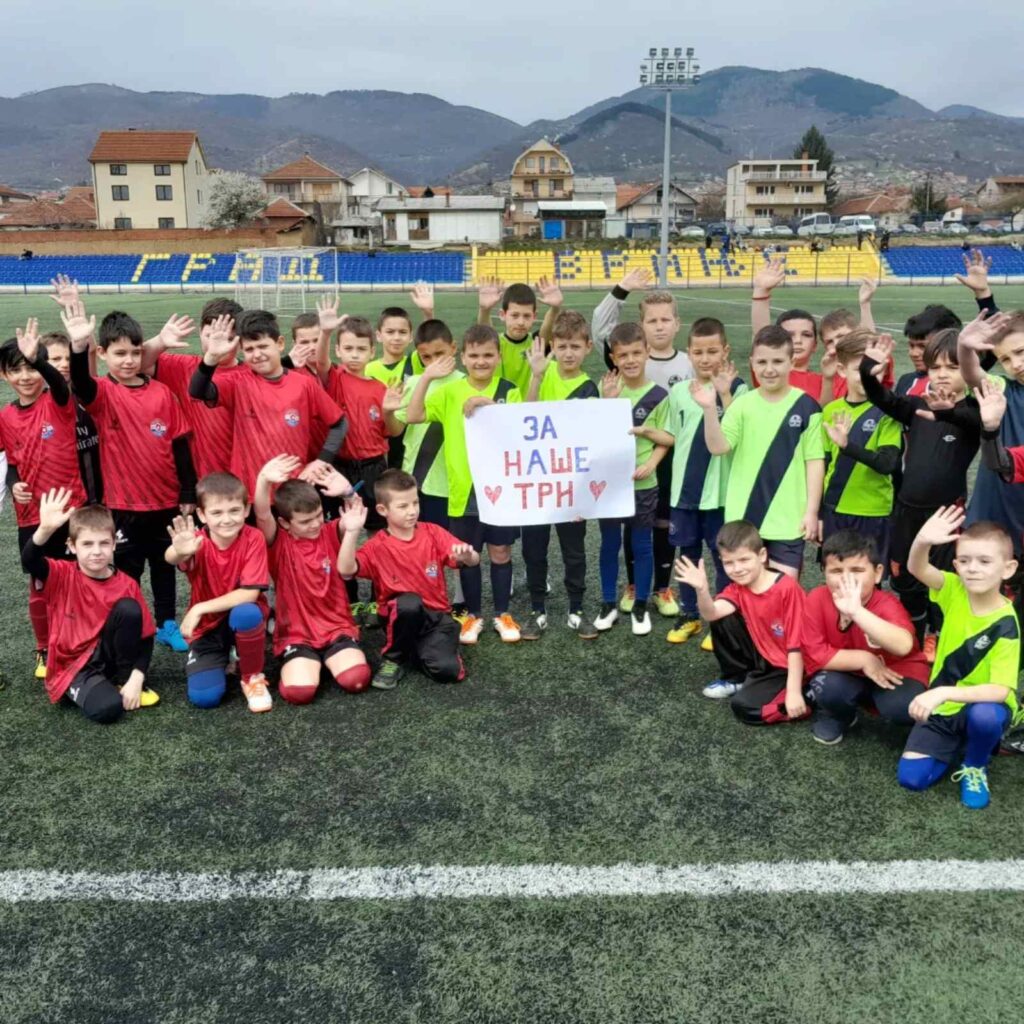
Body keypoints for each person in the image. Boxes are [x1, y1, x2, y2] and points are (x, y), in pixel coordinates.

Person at [69, 304, 196, 652]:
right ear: (103, 353)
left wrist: (187, 491)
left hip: (167, 500)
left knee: (164, 564)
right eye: (119, 353)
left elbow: (180, 443)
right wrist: (78, 346)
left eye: (135, 352)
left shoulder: (162, 392)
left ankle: (167, 623)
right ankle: (135, 621)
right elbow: (80, 383)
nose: (128, 360)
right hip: (123, 504)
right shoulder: (103, 393)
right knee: (127, 570)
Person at [860, 330, 981, 651]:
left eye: (952, 367)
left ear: (968, 371)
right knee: (904, 576)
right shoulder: (917, 405)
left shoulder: (973, 410)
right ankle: (911, 626)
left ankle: (938, 633)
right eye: (936, 367)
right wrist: (866, 373)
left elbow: (972, 423)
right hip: (906, 510)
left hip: (946, 513)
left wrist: (946, 412)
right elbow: (883, 398)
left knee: (941, 577)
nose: (942, 374)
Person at [404, 323, 522, 644]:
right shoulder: (448, 392)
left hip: (500, 490)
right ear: (463, 358)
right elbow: (413, 416)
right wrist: (426, 377)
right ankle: (473, 616)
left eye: (487, 355)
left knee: (500, 551)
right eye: (474, 355)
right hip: (462, 490)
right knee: (467, 555)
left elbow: (516, 430)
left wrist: (486, 406)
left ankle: (502, 614)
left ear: (498, 357)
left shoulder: (509, 389)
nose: (480, 361)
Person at [897, 508, 1020, 809]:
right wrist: (923, 540)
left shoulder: (1007, 623)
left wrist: (942, 692)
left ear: (1008, 568)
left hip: (979, 704)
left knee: (985, 716)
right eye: (964, 561)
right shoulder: (953, 589)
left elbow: (1001, 690)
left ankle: (976, 764)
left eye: (984, 561)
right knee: (912, 779)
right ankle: (962, 743)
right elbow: (917, 568)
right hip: (945, 707)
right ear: (956, 565)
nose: (972, 569)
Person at [591, 269, 695, 616]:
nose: (660, 325)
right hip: (635, 460)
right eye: (652, 320)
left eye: (666, 319)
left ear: (677, 324)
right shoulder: (625, 365)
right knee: (633, 520)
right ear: (642, 327)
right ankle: (634, 583)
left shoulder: (688, 362)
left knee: (665, 522)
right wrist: (621, 289)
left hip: (673, 456)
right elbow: (600, 328)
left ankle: (663, 589)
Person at [699, 324, 824, 579]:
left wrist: (811, 512)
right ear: (752, 363)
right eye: (762, 361)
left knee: (783, 593)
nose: (769, 369)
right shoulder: (741, 405)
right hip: (743, 519)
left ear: (792, 361)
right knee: (744, 594)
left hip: (788, 520)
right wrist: (709, 409)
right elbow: (718, 447)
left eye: (778, 361)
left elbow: (814, 462)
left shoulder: (807, 407)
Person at [21, 488, 157, 723]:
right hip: (73, 665)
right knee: (107, 709)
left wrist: (137, 677)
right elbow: (30, 561)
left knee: (129, 609)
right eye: (87, 544)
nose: (96, 551)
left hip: (108, 657)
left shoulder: (126, 583)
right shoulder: (61, 574)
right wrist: (44, 530)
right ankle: (85, 688)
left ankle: (122, 679)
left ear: (114, 544)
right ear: (72, 546)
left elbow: (145, 636)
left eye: (104, 543)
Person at [0, 319, 87, 678]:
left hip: (71, 510)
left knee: (77, 579)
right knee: (39, 581)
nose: (25, 376)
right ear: (4, 376)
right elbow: (10, 461)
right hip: (31, 515)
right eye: (15, 370)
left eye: (29, 368)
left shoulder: (58, 402)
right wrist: (15, 481)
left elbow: (56, 380)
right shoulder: (4, 417)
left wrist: (39, 359)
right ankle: (43, 647)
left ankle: (81, 640)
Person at [339, 469, 478, 688]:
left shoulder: (432, 532)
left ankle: (415, 648)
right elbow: (346, 570)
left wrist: (468, 555)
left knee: (448, 672)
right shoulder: (377, 546)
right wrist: (351, 533)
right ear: (382, 510)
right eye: (403, 506)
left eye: (415, 503)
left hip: (436, 617)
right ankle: (393, 658)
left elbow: (474, 560)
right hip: (401, 615)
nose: (412, 511)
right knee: (409, 603)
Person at [188, 309, 346, 500]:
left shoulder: (303, 385)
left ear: (279, 344)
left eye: (263, 346)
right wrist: (211, 358)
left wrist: (321, 461)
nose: (257, 354)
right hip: (248, 492)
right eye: (249, 349)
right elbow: (197, 391)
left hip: (291, 492)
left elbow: (339, 423)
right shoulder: (237, 382)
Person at [253, 455, 371, 700]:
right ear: (284, 523)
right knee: (299, 693)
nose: (315, 523)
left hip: (336, 626)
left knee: (356, 680)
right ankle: (307, 661)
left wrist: (348, 493)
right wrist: (263, 480)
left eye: (318, 515)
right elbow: (263, 514)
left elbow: (354, 517)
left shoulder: (330, 531)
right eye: (305, 521)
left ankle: (329, 658)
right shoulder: (278, 542)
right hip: (296, 632)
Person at [803, 530, 929, 745]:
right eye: (836, 570)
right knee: (825, 685)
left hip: (895, 674)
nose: (846, 577)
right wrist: (864, 658)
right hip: (847, 673)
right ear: (823, 572)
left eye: (857, 570)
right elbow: (815, 654)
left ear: (878, 573)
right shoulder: (816, 598)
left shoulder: (886, 603)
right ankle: (841, 715)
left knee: (905, 707)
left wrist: (856, 612)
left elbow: (904, 645)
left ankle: (883, 706)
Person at [674, 520, 808, 722]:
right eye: (729, 562)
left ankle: (809, 698)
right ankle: (738, 678)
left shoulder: (786, 588)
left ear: (762, 556)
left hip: (791, 663)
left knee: (743, 706)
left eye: (744, 560)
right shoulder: (738, 588)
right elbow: (711, 614)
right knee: (723, 616)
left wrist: (794, 691)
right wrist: (702, 590)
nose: (737, 569)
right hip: (764, 655)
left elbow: (796, 645)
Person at [665, 318, 746, 645]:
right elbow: (675, 436)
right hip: (685, 491)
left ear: (725, 351)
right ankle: (689, 614)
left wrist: (725, 395)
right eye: (698, 351)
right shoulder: (678, 392)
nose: (705, 357)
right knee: (687, 556)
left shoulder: (739, 390)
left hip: (721, 492)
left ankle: (722, 619)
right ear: (688, 354)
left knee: (722, 555)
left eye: (713, 350)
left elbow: (739, 432)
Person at [519, 312, 600, 640]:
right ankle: (537, 609)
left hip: (571, 488)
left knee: (574, 550)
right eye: (562, 346)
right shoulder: (544, 371)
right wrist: (536, 377)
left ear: (588, 348)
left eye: (575, 347)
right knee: (533, 550)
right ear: (553, 346)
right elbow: (526, 415)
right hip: (537, 484)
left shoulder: (589, 388)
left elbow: (592, 439)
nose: (568, 353)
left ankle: (576, 609)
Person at [164, 473, 271, 713]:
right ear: (202, 515)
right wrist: (178, 551)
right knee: (205, 697)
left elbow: (249, 593)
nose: (227, 519)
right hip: (208, 628)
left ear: (246, 510)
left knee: (246, 613)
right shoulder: (196, 542)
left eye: (234, 510)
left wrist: (199, 608)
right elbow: (171, 558)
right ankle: (228, 656)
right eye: (217, 513)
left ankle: (252, 677)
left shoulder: (253, 538)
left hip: (239, 616)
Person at [594, 322, 671, 637]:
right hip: (611, 485)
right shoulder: (607, 388)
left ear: (647, 352)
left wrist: (651, 463)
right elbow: (595, 435)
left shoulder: (659, 395)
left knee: (642, 545)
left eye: (636, 353)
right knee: (609, 545)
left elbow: (667, 438)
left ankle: (640, 605)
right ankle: (608, 603)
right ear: (613, 356)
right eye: (622, 354)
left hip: (642, 485)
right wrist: (608, 402)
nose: (629, 360)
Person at [314, 312, 403, 535]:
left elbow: (392, 431)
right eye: (348, 348)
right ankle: (342, 569)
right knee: (340, 526)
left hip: (373, 467)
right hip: (339, 466)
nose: (354, 355)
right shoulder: (335, 378)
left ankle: (377, 568)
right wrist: (325, 333)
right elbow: (321, 362)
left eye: (361, 349)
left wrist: (390, 412)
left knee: (378, 526)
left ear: (372, 352)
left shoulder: (381, 389)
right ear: (338, 350)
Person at [819, 328, 902, 561]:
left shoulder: (888, 412)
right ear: (842, 370)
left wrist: (848, 446)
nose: (868, 375)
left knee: (869, 578)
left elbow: (887, 463)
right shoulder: (831, 411)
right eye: (859, 370)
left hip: (873, 511)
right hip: (835, 510)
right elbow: (823, 465)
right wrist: (818, 513)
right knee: (836, 574)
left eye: (876, 369)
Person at [141, 297, 242, 479]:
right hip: (203, 480)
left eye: (229, 338)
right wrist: (160, 341)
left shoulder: (251, 373)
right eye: (210, 336)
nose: (217, 344)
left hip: (247, 477)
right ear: (200, 333)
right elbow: (137, 363)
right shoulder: (184, 367)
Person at [956, 309, 1024, 556]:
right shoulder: (1003, 389)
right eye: (1005, 359)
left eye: (1020, 352)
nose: (1015, 364)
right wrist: (964, 347)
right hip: (995, 507)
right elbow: (973, 375)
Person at [750, 258, 828, 403]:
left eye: (806, 335)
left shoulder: (826, 381)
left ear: (815, 345)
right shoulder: (771, 373)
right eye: (790, 335)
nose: (798, 340)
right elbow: (761, 337)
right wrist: (760, 291)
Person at [476, 276, 562, 395]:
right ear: (502, 315)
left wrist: (555, 309)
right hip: (498, 408)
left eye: (526, 316)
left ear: (534, 317)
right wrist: (484, 310)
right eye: (515, 315)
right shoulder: (496, 343)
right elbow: (485, 331)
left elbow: (548, 326)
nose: (521, 322)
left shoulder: (536, 344)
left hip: (530, 407)